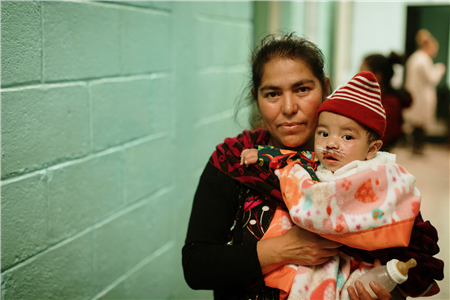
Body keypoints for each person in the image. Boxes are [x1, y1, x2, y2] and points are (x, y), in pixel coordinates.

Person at [182, 33, 442, 300]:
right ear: (256, 98)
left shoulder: (367, 172)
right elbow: (196, 266)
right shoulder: (234, 161)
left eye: (302, 89)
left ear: (325, 87)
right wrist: (283, 249)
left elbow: (405, 266)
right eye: (272, 94)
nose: (289, 107)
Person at [240, 72, 425, 300]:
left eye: (347, 137)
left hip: (360, 262)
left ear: (372, 149)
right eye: (324, 133)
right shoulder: (314, 161)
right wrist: (260, 154)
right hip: (320, 263)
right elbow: (289, 158)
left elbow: (400, 201)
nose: (331, 143)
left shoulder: (378, 172)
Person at [403, 29, 446, 155]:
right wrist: (439, 70)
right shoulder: (424, 60)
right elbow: (431, 79)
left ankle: (416, 147)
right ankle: (417, 147)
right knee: (420, 124)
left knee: (417, 123)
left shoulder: (415, 57)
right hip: (422, 97)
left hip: (415, 95)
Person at [360, 53, 412, 151]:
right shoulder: (371, 98)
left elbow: (381, 138)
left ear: (377, 76)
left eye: (362, 72)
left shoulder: (390, 104)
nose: (358, 76)